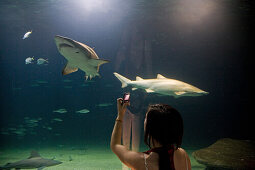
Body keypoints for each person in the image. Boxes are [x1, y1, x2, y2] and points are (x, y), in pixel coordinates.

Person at [111, 98, 191, 170]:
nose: (144, 120)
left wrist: (120, 115)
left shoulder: (141, 160)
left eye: (146, 118)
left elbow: (115, 145)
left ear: (150, 127)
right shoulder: (183, 155)